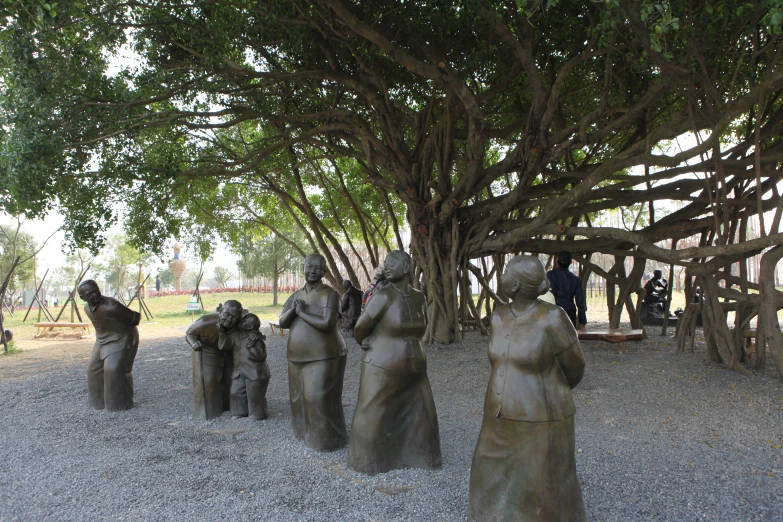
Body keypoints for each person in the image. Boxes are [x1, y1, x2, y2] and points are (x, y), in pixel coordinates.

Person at [469, 255, 586, 522]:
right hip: (497, 416)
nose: (502, 276)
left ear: (517, 284)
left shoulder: (553, 318)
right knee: (487, 473)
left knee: (539, 486)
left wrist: (549, 392)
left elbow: (575, 368)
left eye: (507, 272)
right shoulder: (498, 317)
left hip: (540, 418)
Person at [348, 250, 442, 475]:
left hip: (415, 368)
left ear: (407, 268)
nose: (386, 267)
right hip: (381, 366)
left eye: (393, 263)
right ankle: (368, 462)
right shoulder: (383, 296)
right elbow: (360, 329)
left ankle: (421, 457)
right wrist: (370, 344)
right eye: (385, 263)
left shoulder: (419, 297)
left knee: (423, 415)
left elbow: (422, 326)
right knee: (373, 414)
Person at [279, 253, 348, 452]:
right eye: (309, 267)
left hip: (324, 355)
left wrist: (302, 313)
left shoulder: (330, 294)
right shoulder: (296, 295)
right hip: (296, 355)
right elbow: (283, 322)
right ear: (303, 268)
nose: (313, 271)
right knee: (297, 398)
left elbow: (327, 323)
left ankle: (327, 440)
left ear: (324, 272)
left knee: (318, 398)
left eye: (318, 268)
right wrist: (294, 310)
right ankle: (303, 434)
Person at [78, 280, 141, 411]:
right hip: (102, 340)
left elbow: (135, 318)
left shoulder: (111, 306)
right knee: (93, 369)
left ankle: (118, 404)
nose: (95, 294)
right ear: (83, 298)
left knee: (112, 369)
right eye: (90, 293)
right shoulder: (86, 308)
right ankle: (99, 402)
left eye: (97, 290)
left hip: (122, 338)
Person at [185, 300, 242, 420]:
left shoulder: (237, 326)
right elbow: (190, 334)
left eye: (234, 317)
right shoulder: (206, 321)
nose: (229, 319)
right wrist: (194, 343)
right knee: (208, 381)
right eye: (227, 314)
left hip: (226, 352)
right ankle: (208, 412)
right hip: (206, 352)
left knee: (230, 380)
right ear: (220, 311)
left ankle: (229, 407)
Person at [220, 313, 270, 420]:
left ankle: (257, 414)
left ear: (250, 327)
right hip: (239, 371)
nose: (240, 321)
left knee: (255, 395)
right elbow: (226, 343)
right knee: (235, 392)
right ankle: (239, 412)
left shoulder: (256, 338)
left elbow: (260, 356)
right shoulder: (238, 335)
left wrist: (251, 346)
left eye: (244, 321)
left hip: (255, 372)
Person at [546, 250, 587, 330]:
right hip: (570, 312)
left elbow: (548, 294)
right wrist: (582, 321)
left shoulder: (550, 275)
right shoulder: (575, 279)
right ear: (570, 262)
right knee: (569, 340)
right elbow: (580, 301)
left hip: (554, 311)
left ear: (557, 261)